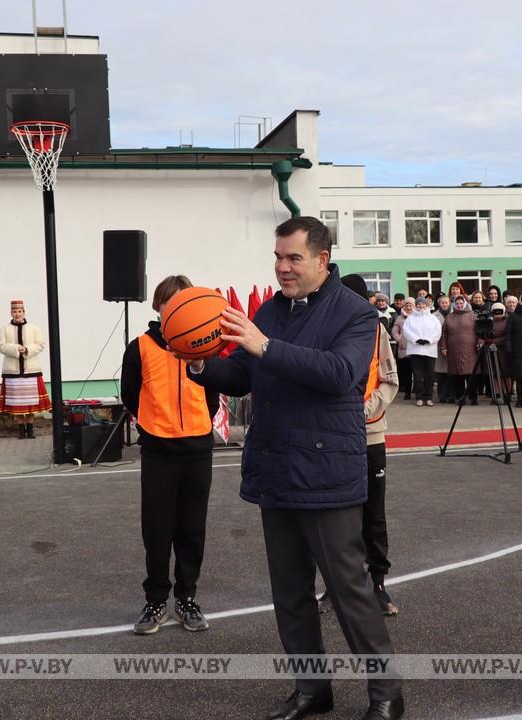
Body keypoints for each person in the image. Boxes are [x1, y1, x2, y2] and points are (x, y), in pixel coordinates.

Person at [185, 216, 404, 720]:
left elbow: (341, 375)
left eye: (293, 258)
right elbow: (242, 375)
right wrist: (198, 364)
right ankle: (312, 689)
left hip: (327, 470)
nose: (282, 267)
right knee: (289, 593)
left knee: (349, 589)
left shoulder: (355, 314)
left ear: (322, 260)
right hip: (276, 466)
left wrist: (263, 345)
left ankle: (387, 693)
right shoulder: (271, 310)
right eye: (278, 257)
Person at [120, 275, 221, 635]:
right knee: (158, 530)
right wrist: (152, 425)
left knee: (192, 529)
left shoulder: (202, 344)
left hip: (197, 450)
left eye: (183, 301)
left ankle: (187, 598)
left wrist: (198, 425)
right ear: (159, 306)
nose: (175, 307)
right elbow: (130, 395)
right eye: (169, 301)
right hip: (159, 451)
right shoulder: (140, 347)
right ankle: (156, 600)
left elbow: (212, 392)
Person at [321, 274, 401, 615]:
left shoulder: (376, 331)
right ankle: (335, 585)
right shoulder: (324, 331)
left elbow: (390, 380)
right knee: (336, 515)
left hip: (369, 436)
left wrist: (362, 412)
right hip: (333, 439)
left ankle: (378, 583)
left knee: (374, 513)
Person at [0, 300, 49, 438]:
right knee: (17, 405)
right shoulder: (4, 329)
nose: (17, 314)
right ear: (11, 313)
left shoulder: (33, 328)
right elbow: (0, 345)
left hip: (30, 370)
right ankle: (21, 431)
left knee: (31, 403)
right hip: (13, 372)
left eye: (19, 311)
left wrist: (27, 349)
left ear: (24, 312)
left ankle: (30, 430)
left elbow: (41, 344)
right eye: (14, 311)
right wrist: (15, 348)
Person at [440, 295, 479, 405]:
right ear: (454, 305)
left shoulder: (473, 316)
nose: (459, 305)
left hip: (470, 350)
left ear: (465, 303)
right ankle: (460, 397)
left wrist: (479, 343)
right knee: (457, 375)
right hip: (454, 350)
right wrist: (443, 347)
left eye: (461, 303)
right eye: (457, 303)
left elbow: (479, 332)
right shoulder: (449, 317)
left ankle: (473, 397)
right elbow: (444, 333)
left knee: (470, 374)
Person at [402, 296, 441, 407]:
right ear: (416, 305)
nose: (421, 306)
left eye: (423, 304)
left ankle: (428, 397)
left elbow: (437, 332)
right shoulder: (410, 318)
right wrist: (416, 339)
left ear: (426, 305)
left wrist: (429, 340)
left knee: (430, 375)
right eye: (418, 304)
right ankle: (419, 397)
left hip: (429, 350)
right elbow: (406, 331)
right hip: (415, 350)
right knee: (418, 375)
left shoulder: (433, 318)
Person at [391, 298, 414, 401]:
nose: (409, 307)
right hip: (403, 349)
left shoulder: (417, 317)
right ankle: (407, 392)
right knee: (406, 373)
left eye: (410, 305)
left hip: (415, 349)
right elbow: (394, 331)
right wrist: (399, 339)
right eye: (407, 305)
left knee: (417, 372)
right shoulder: (400, 318)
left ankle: (418, 392)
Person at [433, 295, 453, 403]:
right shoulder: (434, 316)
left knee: (451, 373)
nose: (444, 305)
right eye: (442, 303)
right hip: (439, 347)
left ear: (449, 303)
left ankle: (451, 395)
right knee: (441, 374)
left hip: (453, 347)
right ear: (439, 304)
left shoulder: (454, 314)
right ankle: (441, 395)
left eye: (446, 302)